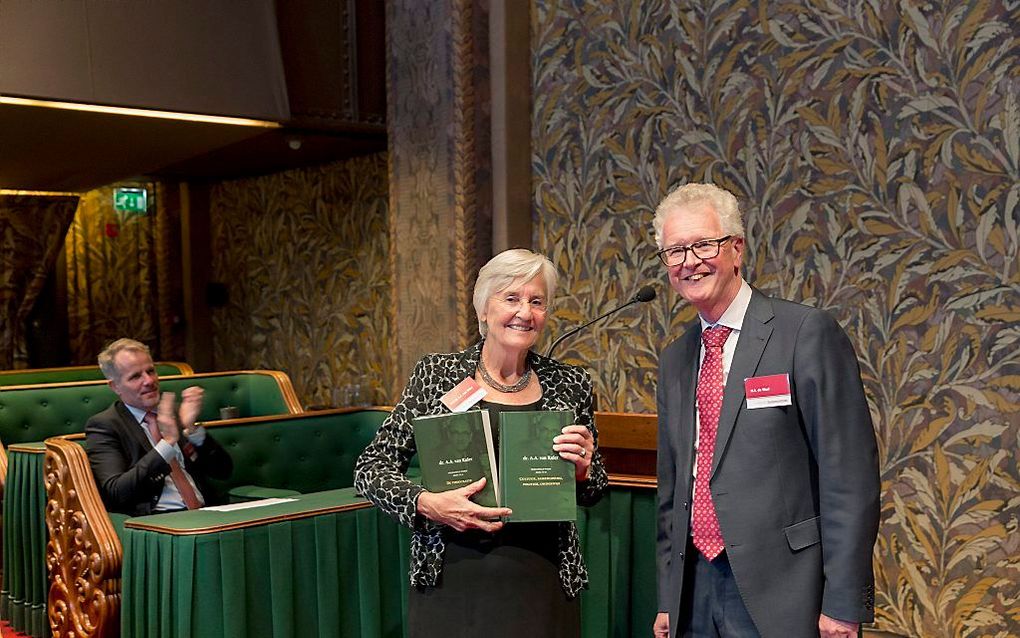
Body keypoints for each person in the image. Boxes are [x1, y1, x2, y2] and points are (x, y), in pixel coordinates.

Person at [651, 184, 880, 638]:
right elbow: (672, 490)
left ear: (736, 249)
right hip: (694, 589)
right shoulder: (676, 358)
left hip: (785, 592)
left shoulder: (804, 334)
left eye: (703, 244)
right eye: (675, 250)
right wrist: (668, 598)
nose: (689, 261)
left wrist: (843, 601)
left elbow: (849, 478)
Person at [354, 248, 608, 638]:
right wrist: (428, 504)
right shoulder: (438, 375)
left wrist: (583, 469)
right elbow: (370, 469)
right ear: (483, 310)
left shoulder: (570, 385)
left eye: (536, 301)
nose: (525, 312)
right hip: (453, 578)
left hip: (541, 579)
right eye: (511, 298)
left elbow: (595, 488)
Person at [86, 338, 232, 516]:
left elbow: (223, 471)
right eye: (136, 376)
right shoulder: (105, 425)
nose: (149, 381)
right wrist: (167, 445)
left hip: (206, 512)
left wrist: (192, 430)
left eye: (150, 371)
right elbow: (117, 491)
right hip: (159, 520)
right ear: (115, 386)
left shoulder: (177, 411)